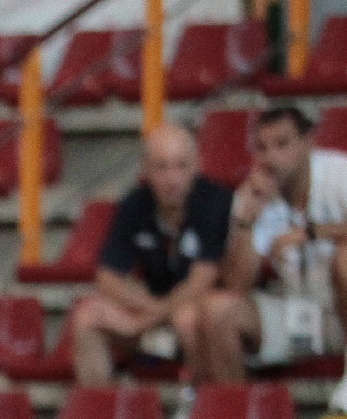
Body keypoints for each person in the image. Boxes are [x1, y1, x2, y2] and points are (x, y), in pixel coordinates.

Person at [217, 103, 347, 419]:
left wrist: (310, 232)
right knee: (218, 311)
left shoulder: (345, 171)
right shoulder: (257, 194)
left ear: (307, 142)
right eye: (263, 148)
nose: (271, 158)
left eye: (282, 144)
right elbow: (236, 285)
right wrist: (245, 220)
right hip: (309, 316)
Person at [69, 121, 235, 390]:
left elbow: (200, 285)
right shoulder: (134, 204)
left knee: (188, 319)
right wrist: (147, 310)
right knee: (87, 317)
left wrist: (140, 322)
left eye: (181, 166)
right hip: (155, 309)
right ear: (145, 169)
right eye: (161, 167)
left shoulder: (217, 202)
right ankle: (103, 408)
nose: (172, 179)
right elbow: (108, 276)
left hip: (199, 314)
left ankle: (202, 405)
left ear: (196, 166)